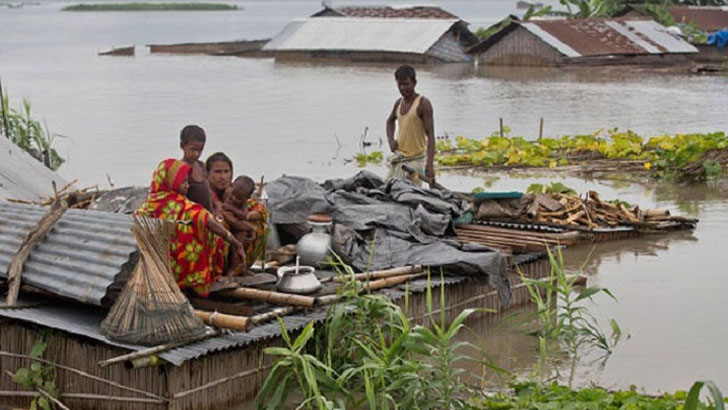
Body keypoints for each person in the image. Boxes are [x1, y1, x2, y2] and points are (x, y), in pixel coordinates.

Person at [137, 159, 246, 297]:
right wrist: (235, 243)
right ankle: (198, 279)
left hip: (157, 265)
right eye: (184, 182)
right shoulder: (180, 205)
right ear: (172, 182)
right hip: (181, 266)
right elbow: (208, 222)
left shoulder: (149, 203)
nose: (188, 186)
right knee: (214, 234)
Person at [385, 64, 435, 186]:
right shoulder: (399, 103)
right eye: (400, 84)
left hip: (416, 159)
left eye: (406, 84)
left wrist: (429, 165)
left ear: (414, 83)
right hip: (400, 157)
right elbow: (390, 121)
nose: (403, 88)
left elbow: (431, 136)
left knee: (407, 191)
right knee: (386, 188)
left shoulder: (423, 104)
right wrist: (391, 140)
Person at [219, 176, 269, 275]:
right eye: (233, 194)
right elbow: (232, 220)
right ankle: (231, 268)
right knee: (240, 234)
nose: (234, 198)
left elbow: (244, 215)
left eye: (239, 198)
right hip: (226, 222)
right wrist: (250, 228)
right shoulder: (228, 194)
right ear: (231, 187)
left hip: (237, 223)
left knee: (242, 234)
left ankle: (239, 266)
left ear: (247, 197)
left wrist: (233, 210)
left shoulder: (244, 202)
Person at [180, 125, 215, 212]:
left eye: (200, 150)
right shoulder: (180, 169)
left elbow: (209, 192)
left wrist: (215, 209)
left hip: (208, 213)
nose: (196, 154)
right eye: (193, 150)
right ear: (182, 146)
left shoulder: (202, 166)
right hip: (194, 215)